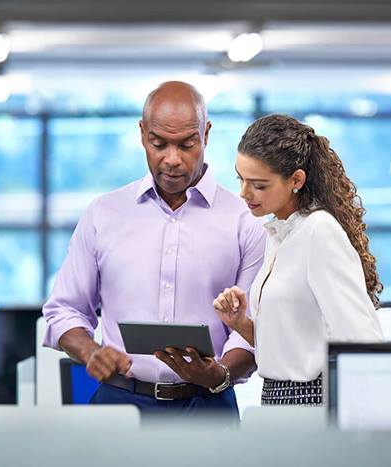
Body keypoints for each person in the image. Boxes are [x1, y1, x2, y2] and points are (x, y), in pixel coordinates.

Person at [42, 81, 266, 415]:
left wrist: (218, 374)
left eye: (187, 144)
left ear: (206, 134)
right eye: (158, 143)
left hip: (207, 406)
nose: (172, 159)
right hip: (118, 403)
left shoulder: (245, 221)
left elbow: (254, 328)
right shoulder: (104, 214)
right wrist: (91, 352)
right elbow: (64, 310)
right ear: (142, 133)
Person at [213, 114, 384, 406]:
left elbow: (362, 340)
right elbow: (292, 348)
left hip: (312, 403)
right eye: (240, 178)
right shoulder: (279, 232)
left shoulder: (319, 232)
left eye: (259, 185)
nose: (244, 193)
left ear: (296, 180)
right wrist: (240, 323)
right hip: (278, 399)